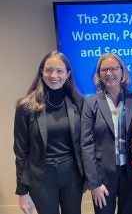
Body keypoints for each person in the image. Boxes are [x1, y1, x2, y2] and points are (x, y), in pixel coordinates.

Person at [13, 51, 84, 214]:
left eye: (59, 70)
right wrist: (22, 192)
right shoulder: (26, 107)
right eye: (49, 70)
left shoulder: (78, 103)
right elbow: (20, 152)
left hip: (72, 176)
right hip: (41, 178)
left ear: (68, 74)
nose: (54, 75)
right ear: (41, 72)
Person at [80, 53, 132, 214]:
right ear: (99, 75)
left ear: (122, 71)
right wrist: (94, 182)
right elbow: (86, 145)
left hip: (130, 172)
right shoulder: (91, 103)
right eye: (104, 70)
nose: (109, 73)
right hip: (103, 175)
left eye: (114, 68)